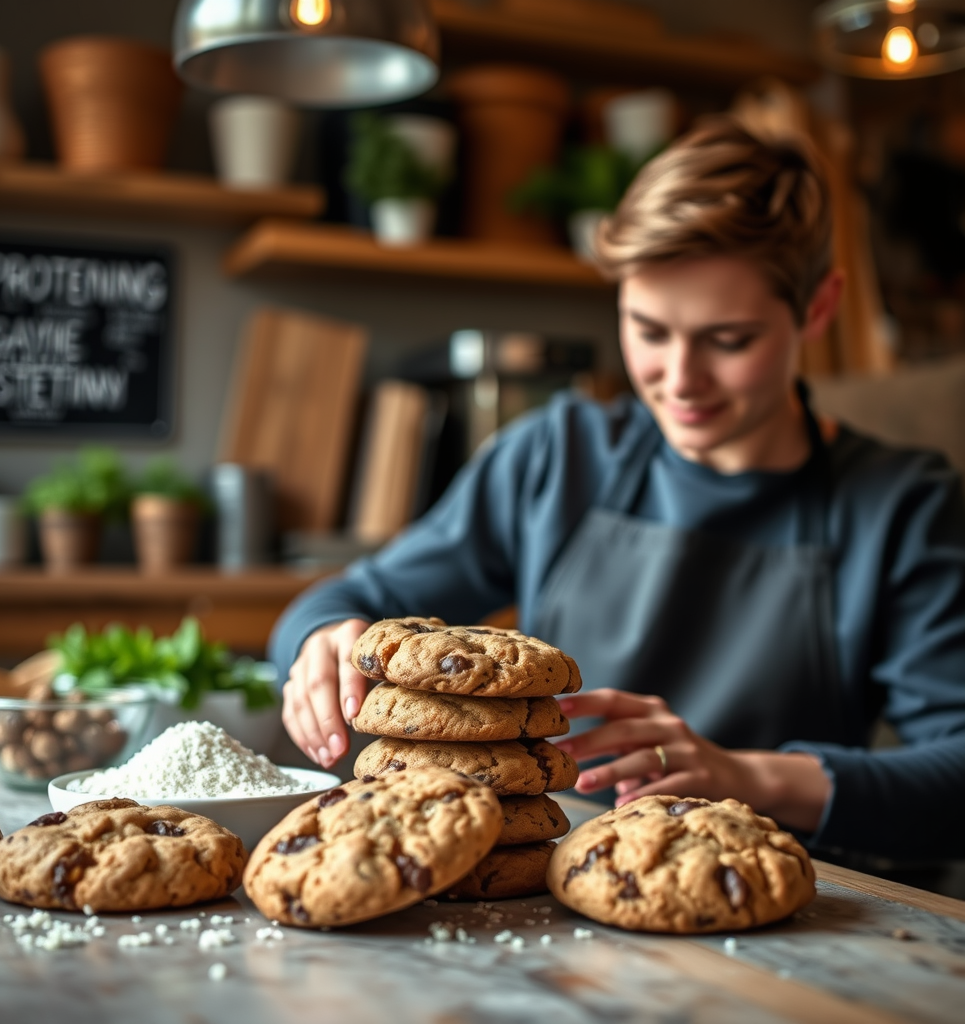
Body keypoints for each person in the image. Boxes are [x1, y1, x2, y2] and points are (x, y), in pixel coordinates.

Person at [271, 117, 965, 864]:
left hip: (797, 910)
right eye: (649, 330)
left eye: (729, 340)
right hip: (551, 879)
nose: (681, 378)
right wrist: (321, 641)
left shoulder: (903, 505)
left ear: (818, 310)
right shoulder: (558, 456)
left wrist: (744, 775)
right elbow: (345, 601)